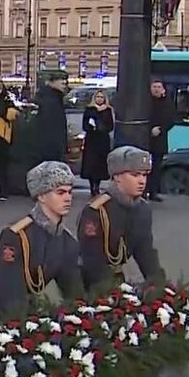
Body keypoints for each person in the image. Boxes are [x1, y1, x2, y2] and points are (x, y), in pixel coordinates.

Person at [0, 161, 83, 320]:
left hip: (25, 305)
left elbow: (73, 290)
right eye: (60, 192)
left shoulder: (67, 241)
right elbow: (11, 292)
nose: (68, 198)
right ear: (41, 196)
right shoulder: (14, 236)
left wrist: (82, 319)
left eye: (70, 192)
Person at [77, 146, 165, 292]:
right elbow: (92, 259)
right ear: (117, 177)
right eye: (135, 175)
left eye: (144, 175)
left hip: (116, 279)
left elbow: (145, 251)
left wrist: (158, 285)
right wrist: (118, 293)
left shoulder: (142, 209)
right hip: (89, 283)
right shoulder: (96, 211)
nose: (142, 181)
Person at [80, 90, 115, 196]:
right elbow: (85, 125)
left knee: (100, 163)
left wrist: (101, 127)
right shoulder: (89, 109)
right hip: (91, 139)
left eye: (101, 97)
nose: (99, 99)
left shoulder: (108, 110)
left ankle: (97, 186)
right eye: (98, 97)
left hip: (103, 140)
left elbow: (110, 126)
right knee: (91, 163)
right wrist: (92, 127)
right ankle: (92, 186)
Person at [147, 79, 175, 202]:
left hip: (160, 139)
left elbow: (171, 119)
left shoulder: (168, 103)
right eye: (154, 86)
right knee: (144, 166)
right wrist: (149, 130)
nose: (156, 89)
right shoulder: (145, 102)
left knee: (156, 167)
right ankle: (143, 191)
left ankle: (153, 192)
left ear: (163, 89)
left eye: (159, 87)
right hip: (146, 139)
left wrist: (161, 129)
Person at [32, 71, 69, 164]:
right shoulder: (51, 100)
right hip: (51, 147)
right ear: (52, 82)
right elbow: (52, 126)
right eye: (62, 83)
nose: (64, 86)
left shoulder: (54, 97)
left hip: (49, 146)